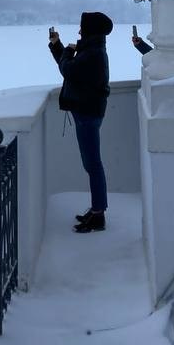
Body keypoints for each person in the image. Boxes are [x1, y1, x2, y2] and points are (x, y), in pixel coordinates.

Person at [48, 12, 113, 233]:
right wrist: (58, 47)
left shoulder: (92, 53)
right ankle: (97, 210)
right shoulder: (91, 50)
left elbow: (68, 69)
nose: (78, 31)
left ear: (90, 30)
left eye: (82, 27)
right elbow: (71, 70)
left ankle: (98, 215)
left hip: (87, 114)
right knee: (91, 164)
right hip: (87, 112)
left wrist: (66, 50)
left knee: (93, 165)